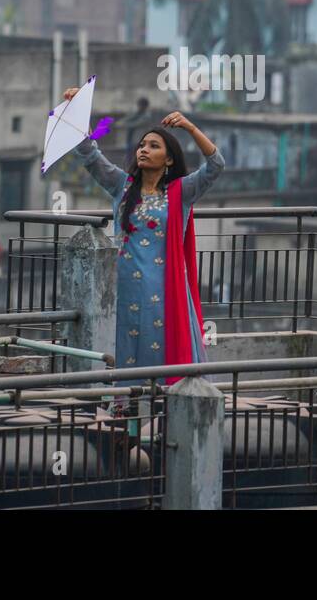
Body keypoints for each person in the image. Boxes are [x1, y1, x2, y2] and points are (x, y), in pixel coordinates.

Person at [64, 87, 224, 387]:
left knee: (159, 349)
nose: (144, 150)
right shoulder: (121, 186)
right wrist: (76, 111)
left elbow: (216, 165)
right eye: (142, 145)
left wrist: (189, 127)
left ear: (168, 160)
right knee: (123, 348)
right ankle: (126, 414)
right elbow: (89, 153)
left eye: (153, 146)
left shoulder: (181, 192)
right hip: (122, 286)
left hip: (165, 290)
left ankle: (162, 411)